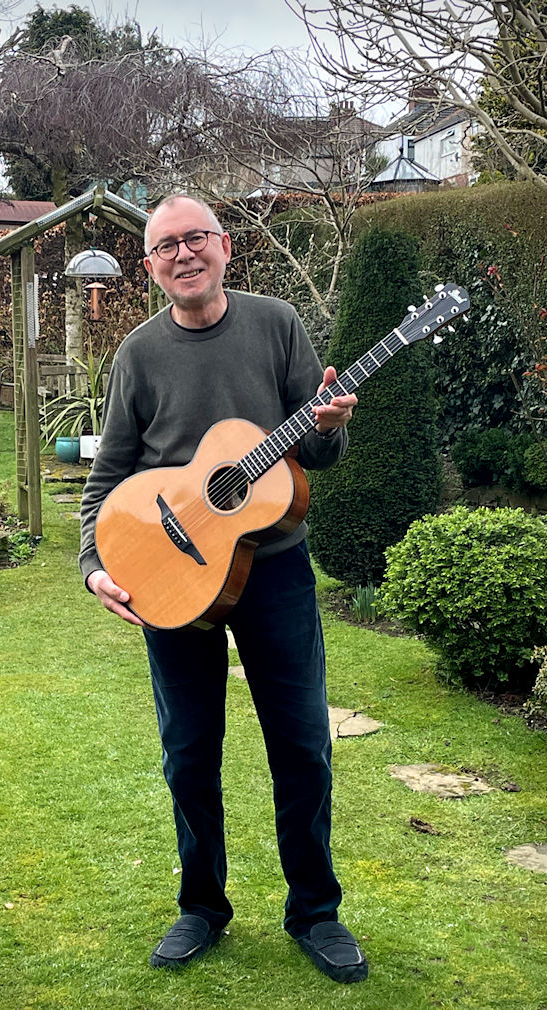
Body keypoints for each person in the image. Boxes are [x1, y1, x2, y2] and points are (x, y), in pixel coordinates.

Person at [77, 194, 369, 984]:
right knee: (188, 752)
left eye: (195, 238)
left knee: (303, 746)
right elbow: (107, 477)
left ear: (225, 246)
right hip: (170, 576)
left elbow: (319, 460)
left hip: (272, 571)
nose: (182, 254)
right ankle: (201, 906)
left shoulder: (276, 325)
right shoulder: (137, 355)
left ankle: (316, 912)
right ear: (149, 266)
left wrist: (331, 425)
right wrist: (93, 563)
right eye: (165, 245)